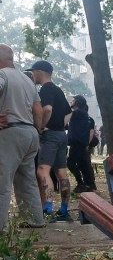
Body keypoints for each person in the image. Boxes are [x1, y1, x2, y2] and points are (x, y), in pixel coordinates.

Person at [0, 44, 44, 231]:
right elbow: (38, 109)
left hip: (11, 132)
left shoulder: (2, 75)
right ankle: (34, 219)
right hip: (30, 133)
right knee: (27, 180)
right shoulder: (28, 81)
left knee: (2, 180)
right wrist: (37, 129)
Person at [30, 60, 74, 221]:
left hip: (50, 137)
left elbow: (47, 108)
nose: (32, 75)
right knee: (61, 173)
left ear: (39, 72)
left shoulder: (46, 89)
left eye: (33, 72)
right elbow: (69, 113)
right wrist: (58, 125)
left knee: (42, 171)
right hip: (62, 135)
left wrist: (42, 125)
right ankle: (64, 210)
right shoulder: (58, 90)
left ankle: (47, 210)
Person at [66, 96, 98, 193]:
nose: (71, 101)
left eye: (73, 100)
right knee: (83, 164)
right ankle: (89, 185)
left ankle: (81, 183)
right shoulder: (82, 114)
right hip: (80, 143)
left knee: (71, 163)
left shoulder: (77, 113)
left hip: (77, 143)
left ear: (77, 102)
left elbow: (65, 115)